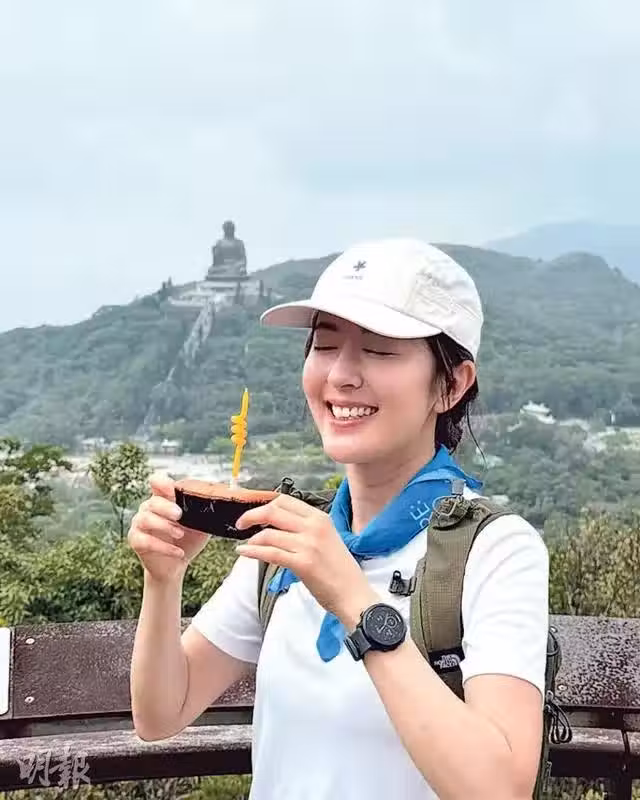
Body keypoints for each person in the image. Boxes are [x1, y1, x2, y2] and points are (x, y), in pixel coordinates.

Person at [128, 238, 549, 800]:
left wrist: (353, 599)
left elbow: (500, 789)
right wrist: (163, 581)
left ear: (452, 384)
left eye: (379, 350)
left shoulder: (496, 551)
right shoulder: (286, 541)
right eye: (325, 346)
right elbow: (161, 713)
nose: (342, 374)